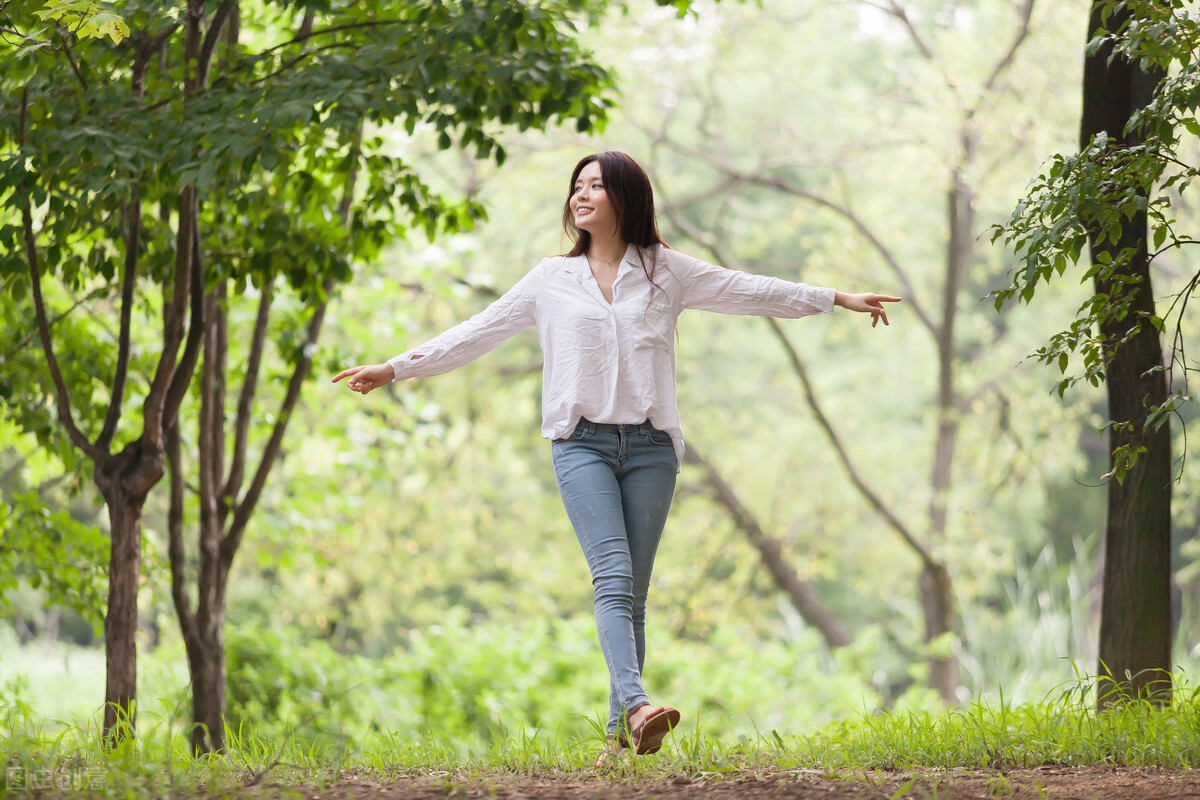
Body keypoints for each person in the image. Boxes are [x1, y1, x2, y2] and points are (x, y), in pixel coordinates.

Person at [332, 151, 900, 767]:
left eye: (596, 186)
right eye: (577, 186)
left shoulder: (666, 272)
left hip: (653, 448)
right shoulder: (551, 279)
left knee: (633, 596)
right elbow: (478, 330)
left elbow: (749, 289)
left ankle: (617, 739)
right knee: (613, 576)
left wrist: (836, 297)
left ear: (625, 198)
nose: (581, 196)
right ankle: (637, 705)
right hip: (582, 445)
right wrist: (395, 368)